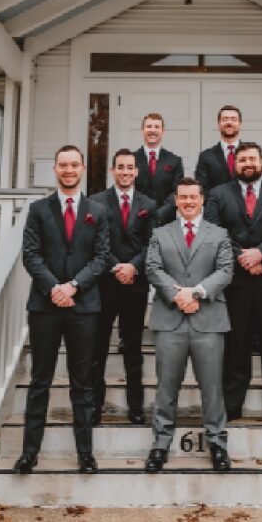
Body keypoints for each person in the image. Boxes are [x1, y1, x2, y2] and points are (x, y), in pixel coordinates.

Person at [14, 145, 110, 474]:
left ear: (82, 168)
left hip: (83, 306)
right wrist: (54, 287)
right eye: (63, 165)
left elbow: (101, 258)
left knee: (82, 382)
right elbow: (31, 254)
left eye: (74, 165)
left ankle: (85, 453)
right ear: (55, 169)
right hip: (45, 305)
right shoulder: (39, 209)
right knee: (40, 380)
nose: (68, 170)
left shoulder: (96, 211)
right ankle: (29, 453)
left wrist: (73, 287)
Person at [144, 177, 234, 472]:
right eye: (183, 197)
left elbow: (225, 271)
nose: (188, 202)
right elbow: (153, 269)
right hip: (169, 320)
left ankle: (217, 443)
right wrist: (176, 295)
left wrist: (195, 293)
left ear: (202, 199)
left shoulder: (219, 234)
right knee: (166, 387)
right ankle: (160, 444)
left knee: (212, 387)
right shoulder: (160, 233)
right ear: (176, 200)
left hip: (208, 320)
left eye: (193, 197)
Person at [204, 142, 262, 424]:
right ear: (235, 164)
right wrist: (242, 257)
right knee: (236, 344)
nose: (248, 163)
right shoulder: (219, 194)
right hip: (234, 281)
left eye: (252, 158)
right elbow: (214, 230)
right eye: (242, 160)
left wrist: (261, 253)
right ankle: (231, 404)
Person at [88, 148, 158, 426]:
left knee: (133, 347)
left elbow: (152, 243)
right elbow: (97, 243)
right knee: (99, 346)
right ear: (113, 170)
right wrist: (118, 266)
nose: (126, 172)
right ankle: (95, 405)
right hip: (105, 283)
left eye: (130, 167)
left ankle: (135, 406)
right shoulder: (96, 202)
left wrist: (133, 267)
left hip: (136, 285)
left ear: (137, 171)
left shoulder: (148, 205)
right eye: (121, 167)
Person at [133, 112, 184, 225]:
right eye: (149, 126)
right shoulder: (132, 159)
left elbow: (177, 191)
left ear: (163, 131)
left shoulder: (174, 161)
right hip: (135, 220)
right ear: (142, 130)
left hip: (165, 221)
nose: (152, 130)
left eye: (157, 127)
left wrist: (160, 214)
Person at [195, 105, 244, 197]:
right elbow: (201, 190)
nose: (229, 122)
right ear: (218, 124)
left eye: (233, 119)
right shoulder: (206, 156)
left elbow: (260, 185)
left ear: (240, 124)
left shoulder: (252, 153)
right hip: (216, 209)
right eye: (225, 119)